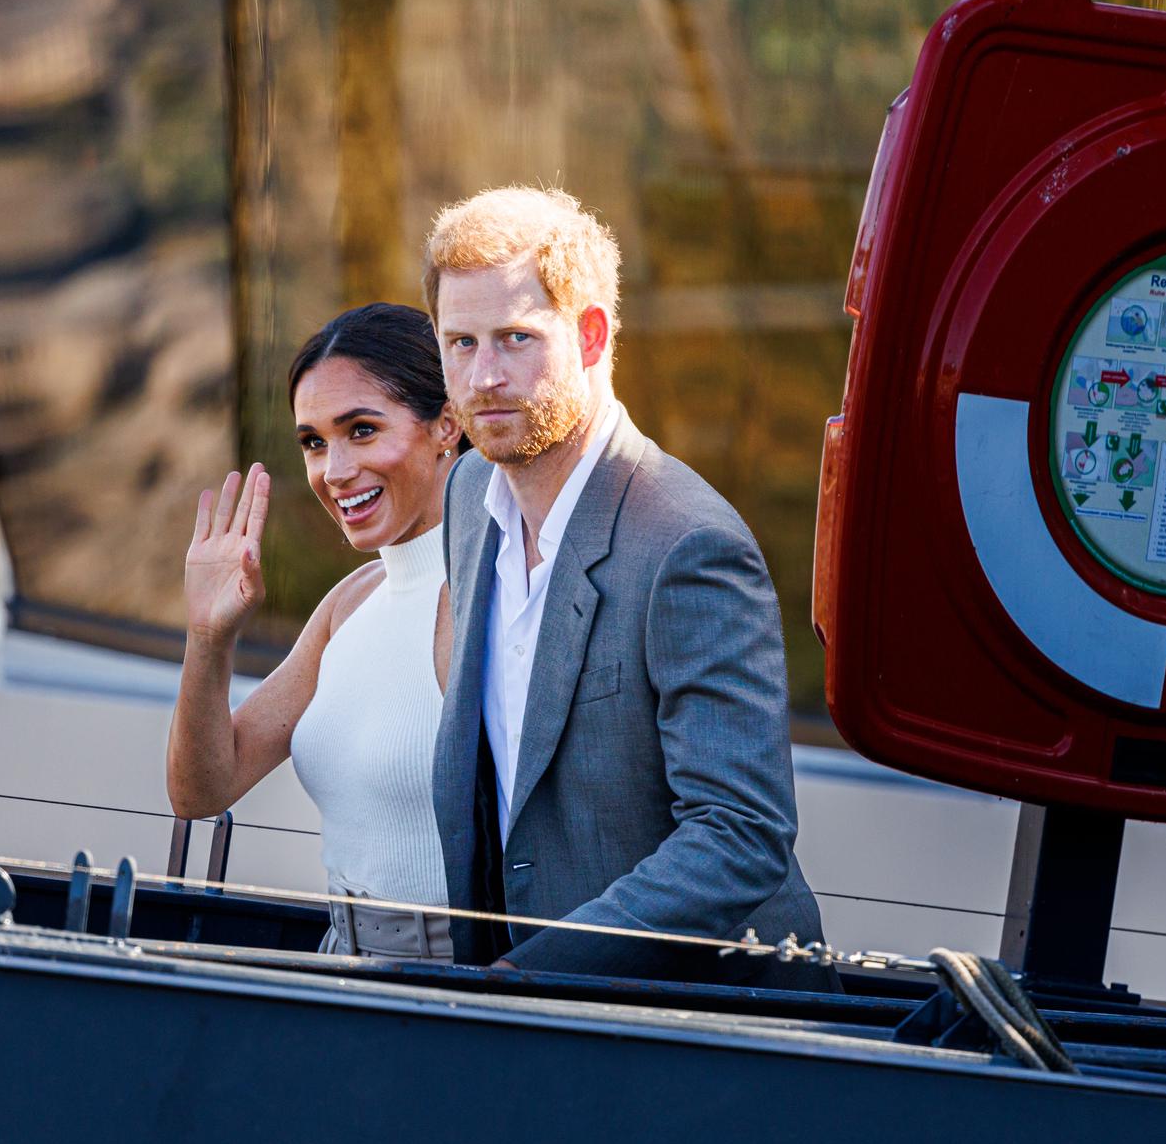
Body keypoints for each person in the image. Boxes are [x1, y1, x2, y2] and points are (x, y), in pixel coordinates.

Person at [425, 185, 831, 988]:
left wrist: (530, 973)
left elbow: (741, 835)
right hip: (538, 1027)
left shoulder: (690, 543)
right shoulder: (468, 494)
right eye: (460, 342)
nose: (484, 376)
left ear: (592, 334)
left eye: (515, 337)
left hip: (705, 1036)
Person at [169, 303, 462, 959]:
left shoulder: (495, 596)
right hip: (335, 960)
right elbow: (203, 788)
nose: (334, 471)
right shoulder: (350, 602)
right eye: (314, 441)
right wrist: (208, 637)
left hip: (449, 985)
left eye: (362, 429)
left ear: (448, 423)